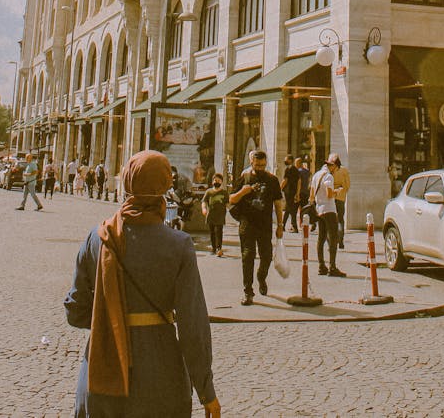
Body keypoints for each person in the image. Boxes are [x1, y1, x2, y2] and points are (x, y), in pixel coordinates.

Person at [64, 150, 220, 418]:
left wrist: (110, 315)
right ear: (165, 186)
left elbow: (75, 311)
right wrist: (207, 393)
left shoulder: (98, 238)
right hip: (159, 374)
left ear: (126, 182)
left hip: (101, 371)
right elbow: (193, 327)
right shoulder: (179, 244)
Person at [228, 149, 284, 306]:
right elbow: (231, 199)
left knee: (266, 256)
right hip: (247, 223)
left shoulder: (272, 180)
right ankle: (248, 291)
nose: (260, 168)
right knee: (248, 256)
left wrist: (280, 225)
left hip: (265, 224)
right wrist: (243, 191)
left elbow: (278, 204)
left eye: (263, 165)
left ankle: (261, 276)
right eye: (257, 165)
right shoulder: (245, 178)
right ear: (251, 163)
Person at [310, 157, 345, 277]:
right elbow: (329, 194)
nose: (336, 171)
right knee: (333, 238)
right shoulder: (329, 176)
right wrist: (337, 191)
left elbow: (311, 194)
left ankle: (321, 266)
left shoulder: (316, 175)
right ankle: (332, 267)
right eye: (337, 168)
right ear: (334, 166)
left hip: (319, 210)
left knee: (321, 238)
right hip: (329, 209)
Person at [201, 174, 228, 256]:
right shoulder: (209, 192)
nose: (217, 182)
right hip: (211, 215)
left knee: (218, 231)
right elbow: (204, 201)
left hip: (220, 216)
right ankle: (213, 248)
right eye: (215, 180)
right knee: (212, 232)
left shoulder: (224, 192)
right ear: (212, 181)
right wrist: (204, 209)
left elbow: (228, 203)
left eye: (219, 181)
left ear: (222, 182)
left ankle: (219, 248)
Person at [327, 153, 351, 249]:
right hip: (341, 197)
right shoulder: (344, 170)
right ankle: (340, 241)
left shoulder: (330, 171)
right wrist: (343, 191)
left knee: (331, 220)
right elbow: (348, 184)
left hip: (331, 196)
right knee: (340, 220)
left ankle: (332, 241)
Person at [280, 155, 300, 233]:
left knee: (291, 209)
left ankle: (294, 226)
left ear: (290, 160)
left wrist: (279, 189)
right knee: (288, 208)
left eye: (286, 160)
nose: (285, 161)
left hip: (288, 191)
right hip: (293, 191)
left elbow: (285, 180)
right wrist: (297, 192)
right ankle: (283, 225)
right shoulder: (296, 169)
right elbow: (299, 182)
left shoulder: (288, 169)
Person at [294, 156, 314, 230]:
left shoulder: (298, 171)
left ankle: (300, 224)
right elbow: (310, 181)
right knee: (305, 209)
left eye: (295, 163)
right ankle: (307, 223)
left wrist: (297, 194)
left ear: (298, 163)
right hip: (306, 192)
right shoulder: (307, 171)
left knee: (298, 209)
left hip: (300, 192)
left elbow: (298, 183)